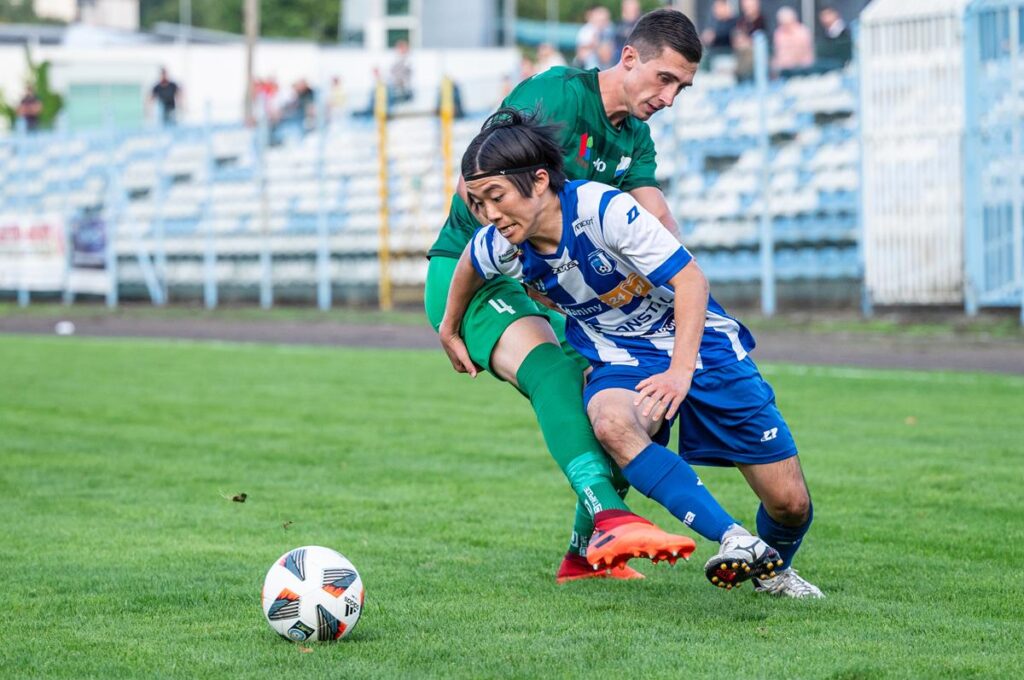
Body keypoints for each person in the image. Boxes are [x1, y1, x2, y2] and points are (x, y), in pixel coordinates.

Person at [442, 108, 825, 597]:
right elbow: (469, 263)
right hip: (619, 358)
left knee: (790, 504)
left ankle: (775, 571)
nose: (490, 215)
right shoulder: (503, 243)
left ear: (538, 181)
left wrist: (679, 372)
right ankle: (734, 538)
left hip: (702, 347)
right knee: (610, 421)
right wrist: (449, 328)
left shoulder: (603, 211)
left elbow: (691, 280)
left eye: (496, 198)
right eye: (478, 204)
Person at [427, 9, 708, 584]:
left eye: (681, 87)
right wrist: (456, 320)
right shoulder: (556, 94)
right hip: (475, 273)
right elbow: (474, 182)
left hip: (548, 289)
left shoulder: (635, 138)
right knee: (554, 372)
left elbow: (655, 215)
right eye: (664, 79)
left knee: (625, 404)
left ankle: (585, 558)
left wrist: (683, 275)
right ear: (628, 58)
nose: (669, 97)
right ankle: (610, 518)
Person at [772, 6, 814, 77]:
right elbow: (777, 52)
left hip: (802, 69)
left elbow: (800, 53)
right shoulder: (778, 33)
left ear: (793, 21)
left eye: (787, 24)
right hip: (783, 69)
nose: (785, 27)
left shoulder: (802, 32)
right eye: (782, 24)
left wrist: (785, 62)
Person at [816, 5, 853, 71]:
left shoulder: (846, 33)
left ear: (835, 14)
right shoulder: (823, 35)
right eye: (822, 16)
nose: (825, 18)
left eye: (827, 15)